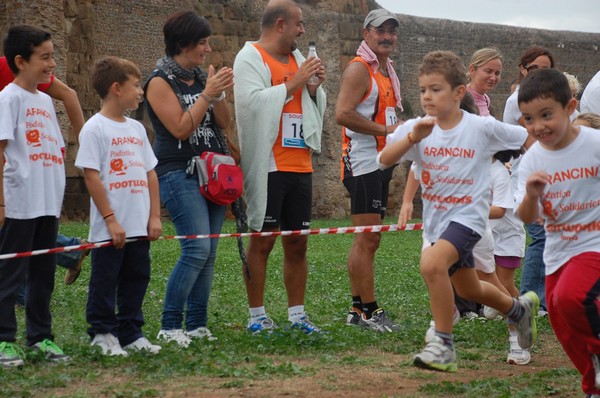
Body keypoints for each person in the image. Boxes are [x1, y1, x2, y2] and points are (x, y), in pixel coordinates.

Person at [378, 50, 538, 372]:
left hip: (469, 219)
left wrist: (551, 164)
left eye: (435, 89)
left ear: (458, 92)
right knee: (470, 288)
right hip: (437, 224)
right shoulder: (417, 128)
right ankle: (518, 311)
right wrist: (412, 136)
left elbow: (528, 136)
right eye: (423, 89)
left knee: (431, 262)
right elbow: (385, 159)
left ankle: (443, 345)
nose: (427, 96)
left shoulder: (481, 127)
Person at [233, 0, 326, 334]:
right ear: (281, 24)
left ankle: (297, 315)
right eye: (299, 24)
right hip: (269, 164)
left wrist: (313, 90)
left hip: (300, 163)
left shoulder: (298, 58)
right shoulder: (250, 57)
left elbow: (309, 103)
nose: (303, 30)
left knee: (297, 242)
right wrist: (293, 82)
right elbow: (250, 105)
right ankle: (256, 315)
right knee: (262, 241)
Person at [145, 10, 234, 347]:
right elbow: (181, 127)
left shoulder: (200, 79)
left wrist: (219, 94)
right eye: (202, 43)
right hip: (177, 173)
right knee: (195, 248)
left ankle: (196, 324)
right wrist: (207, 95)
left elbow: (223, 124)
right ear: (182, 44)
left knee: (209, 251)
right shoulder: (157, 82)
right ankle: (170, 326)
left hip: (212, 172)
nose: (208, 49)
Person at [515, 68, 600, 397]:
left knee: (570, 298)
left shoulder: (593, 144)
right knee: (561, 319)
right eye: (528, 119)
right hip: (558, 252)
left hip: (594, 244)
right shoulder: (533, 159)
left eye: (546, 115)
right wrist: (532, 195)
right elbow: (528, 217)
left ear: (570, 107)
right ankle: (592, 384)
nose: (538, 126)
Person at [75, 56, 162, 356]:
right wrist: (111, 220)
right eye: (136, 86)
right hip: (110, 229)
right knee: (105, 279)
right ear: (116, 88)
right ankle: (102, 333)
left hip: (139, 225)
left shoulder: (138, 130)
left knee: (137, 277)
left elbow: (150, 173)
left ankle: (130, 332)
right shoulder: (94, 128)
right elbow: (91, 177)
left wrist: (153, 216)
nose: (140, 92)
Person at [0, 24, 70, 367]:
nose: (51, 63)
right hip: (19, 202)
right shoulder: (8, 98)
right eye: (44, 57)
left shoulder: (43, 100)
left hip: (46, 203)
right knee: (10, 274)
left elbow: (53, 148)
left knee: (43, 275)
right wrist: (1, 202)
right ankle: (3, 341)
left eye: (52, 56)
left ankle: (40, 338)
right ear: (20, 61)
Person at [334, 8, 402, 332]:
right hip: (362, 162)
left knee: (366, 240)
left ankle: (357, 309)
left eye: (391, 31)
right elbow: (342, 114)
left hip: (379, 162)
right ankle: (370, 312)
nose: (387, 36)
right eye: (380, 30)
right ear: (366, 34)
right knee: (368, 240)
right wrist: (386, 132)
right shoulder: (360, 69)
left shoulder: (386, 71)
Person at [1, 56, 89, 286]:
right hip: (13, 159)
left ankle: (19, 294)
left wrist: (86, 147)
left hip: (31, 161)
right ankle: (70, 251)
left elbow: (70, 95)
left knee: (17, 228)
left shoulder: (8, 68)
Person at [502, 46, 555, 317]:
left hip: (545, 177)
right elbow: (534, 142)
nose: (539, 74)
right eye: (534, 68)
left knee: (547, 237)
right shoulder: (518, 99)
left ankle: (544, 298)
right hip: (525, 179)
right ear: (523, 69)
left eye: (545, 69)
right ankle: (533, 299)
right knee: (539, 237)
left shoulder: (545, 99)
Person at [466, 48, 502, 117]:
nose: (493, 78)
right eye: (488, 71)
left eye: (497, 73)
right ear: (472, 70)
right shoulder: (459, 99)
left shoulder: (486, 99)